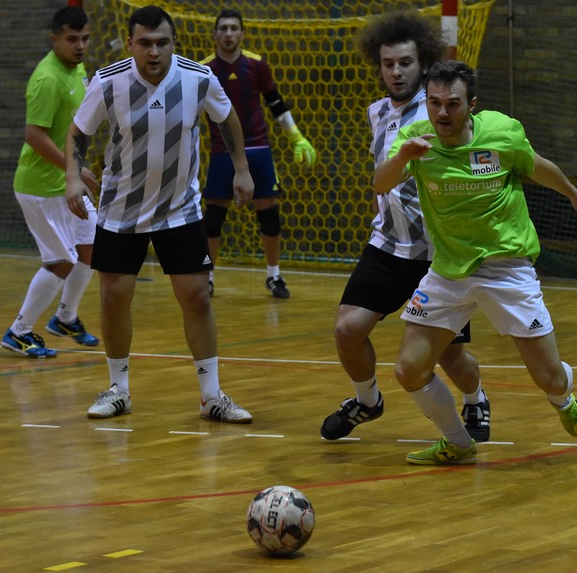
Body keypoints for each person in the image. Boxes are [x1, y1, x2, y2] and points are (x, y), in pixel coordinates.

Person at [373, 60, 577, 465]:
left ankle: (564, 397)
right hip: (448, 271)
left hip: (506, 268)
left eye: (453, 104)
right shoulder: (415, 139)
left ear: (471, 105)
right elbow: (381, 184)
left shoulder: (501, 133)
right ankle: (458, 443)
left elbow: (536, 165)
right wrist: (403, 155)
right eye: (435, 103)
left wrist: (572, 193)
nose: (442, 113)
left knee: (547, 377)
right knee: (409, 370)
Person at [64, 5, 254, 423]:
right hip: (120, 209)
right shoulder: (107, 82)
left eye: (162, 43)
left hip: (179, 208)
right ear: (131, 43)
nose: (154, 52)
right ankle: (118, 390)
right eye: (145, 43)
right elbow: (78, 131)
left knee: (197, 297)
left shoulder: (199, 78)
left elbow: (228, 119)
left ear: (174, 43)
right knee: (115, 298)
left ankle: (211, 396)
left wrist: (242, 168)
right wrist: (73, 177)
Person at [319, 12, 490, 443]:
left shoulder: (438, 111)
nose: (395, 71)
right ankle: (367, 400)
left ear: (424, 64)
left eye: (405, 63)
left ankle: (475, 400)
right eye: (388, 63)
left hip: (438, 257)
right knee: (347, 330)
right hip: (388, 245)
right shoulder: (377, 111)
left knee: (451, 358)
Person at [2, 6, 100, 359]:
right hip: (40, 187)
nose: (80, 46)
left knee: (92, 247)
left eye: (85, 38)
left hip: (64, 180)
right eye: (72, 39)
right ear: (54, 38)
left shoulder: (77, 69)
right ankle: (19, 331)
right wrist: (74, 169)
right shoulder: (47, 78)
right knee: (61, 261)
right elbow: (34, 136)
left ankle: (65, 317)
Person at [201, 9, 317, 299]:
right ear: (214, 35)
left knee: (269, 216)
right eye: (223, 28)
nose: (228, 33)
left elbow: (276, 103)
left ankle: (274, 276)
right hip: (221, 150)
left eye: (234, 28)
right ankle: (208, 277)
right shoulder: (203, 69)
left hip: (257, 147)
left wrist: (296, 137)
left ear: (242, 33)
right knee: (213, 218)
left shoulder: (256, 64)